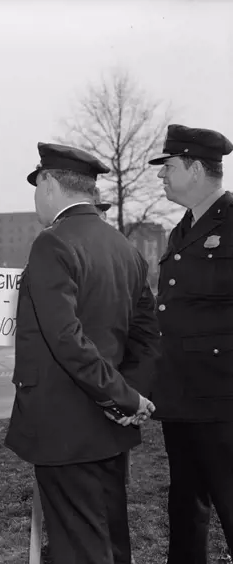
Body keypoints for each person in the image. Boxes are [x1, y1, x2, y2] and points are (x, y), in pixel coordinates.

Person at [4, 143, 161, 564]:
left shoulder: (52, 243)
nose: (36, 196)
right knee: (109, 539)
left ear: (49, 183)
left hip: (64, 426)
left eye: (37, 186)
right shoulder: (125, 248)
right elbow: (146, 337)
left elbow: (66, 339)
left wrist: (124, 399)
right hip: (109, 426)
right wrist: (128, 398)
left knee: (79, 547)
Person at [148, 124, 233, 564]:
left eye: (170, 166)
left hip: (222, 398)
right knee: (185, 507)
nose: (161, 175)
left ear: (197, 169)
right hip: (182, 396)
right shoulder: (184, 227)